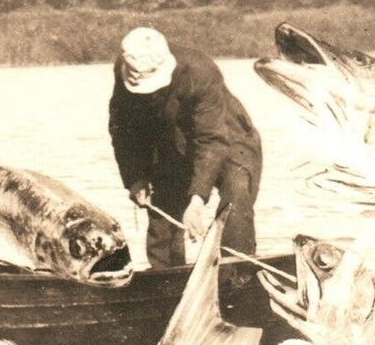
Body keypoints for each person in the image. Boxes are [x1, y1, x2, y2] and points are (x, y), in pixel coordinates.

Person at [108, 27, 262, 268]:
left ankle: (237, 272)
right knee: (163, 215)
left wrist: (197, 200)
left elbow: (211, 139)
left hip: (228, 134)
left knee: (236, 195)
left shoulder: (200, 71)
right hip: (171, 138)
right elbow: (122, 130)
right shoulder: (125, 67)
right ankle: (165, 280)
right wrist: (135, 178)